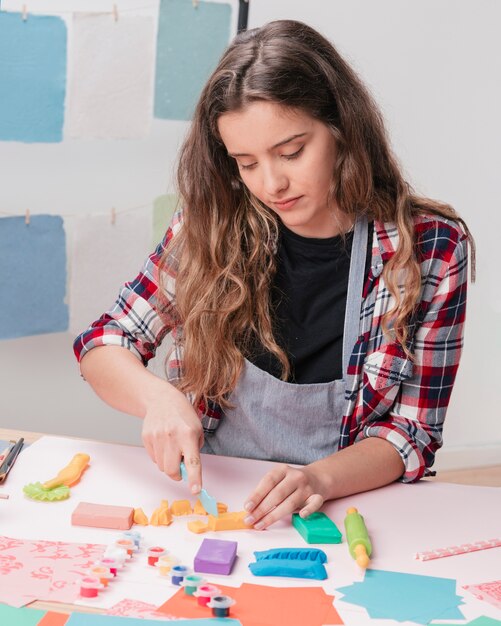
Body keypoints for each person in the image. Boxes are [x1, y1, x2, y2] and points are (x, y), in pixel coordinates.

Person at [74, 20, 473, 531]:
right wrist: (158, 398)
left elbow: (412, 433)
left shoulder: (430, 250)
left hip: (346, 508)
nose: (272, 184)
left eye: (290, 153)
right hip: (215, 499)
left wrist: (319, 480)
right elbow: (105, 342)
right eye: (246, 163)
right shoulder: (209, 225)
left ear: (342, 129)